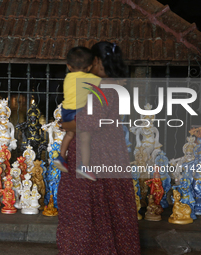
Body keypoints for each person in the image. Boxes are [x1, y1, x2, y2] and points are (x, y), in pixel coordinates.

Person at [57, 42, 141, 254]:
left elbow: (89, 122)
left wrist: (63, 124)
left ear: (97, 62)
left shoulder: (100, 87)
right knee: (113, 204)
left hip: (95, 153)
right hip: (112, 149)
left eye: (91, 60)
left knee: (89, 206)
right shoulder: (112, 85)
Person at [54, 46, 101, 181]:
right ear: (89, 67)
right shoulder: (91, 78)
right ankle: (84, 166)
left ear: (69, 66)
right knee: (85, 137)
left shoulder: (68, 78)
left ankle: (61, 156)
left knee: (69, 134)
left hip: (66, 111)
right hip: (79, 112)